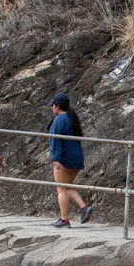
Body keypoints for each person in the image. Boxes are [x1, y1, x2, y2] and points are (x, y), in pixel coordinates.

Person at [48, 93, 91, 228]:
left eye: (53, 106)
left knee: (61, 189)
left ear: (57, 106)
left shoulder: (59, 120)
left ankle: (64, 219)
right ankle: (84, 207)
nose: (52, 108)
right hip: (76, 158)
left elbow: (55, 139)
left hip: (64, 159)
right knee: (67, 186)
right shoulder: (72, 118)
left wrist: (55, 158)